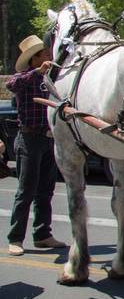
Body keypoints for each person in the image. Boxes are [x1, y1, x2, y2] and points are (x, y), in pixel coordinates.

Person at [5, 35, 67, 256]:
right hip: (29, 139)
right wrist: (37, 72)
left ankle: (42, 234)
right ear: (34, 60)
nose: (49, 57)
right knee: (26, 191)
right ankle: (15, 238)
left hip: (48, 138)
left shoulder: (51, 78)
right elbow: (11, 84)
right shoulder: (25, 77)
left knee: (46, 190)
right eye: (45, 55)